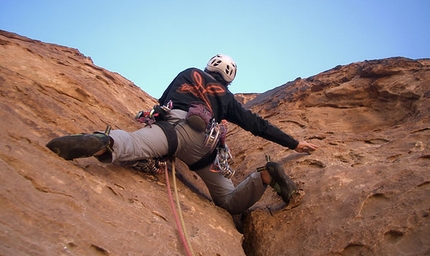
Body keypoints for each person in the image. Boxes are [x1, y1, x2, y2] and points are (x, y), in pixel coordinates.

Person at [47, 54, 318, 217]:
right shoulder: (227, 97)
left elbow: (162, 104)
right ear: (229, 78)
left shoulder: (188, 73)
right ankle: (265, 176)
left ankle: (104, 141)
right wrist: (295, 143)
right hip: (205, 149)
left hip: (172, 130)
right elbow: (257, 125)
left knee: (130, 144)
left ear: (210, 66)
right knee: (228, 201)